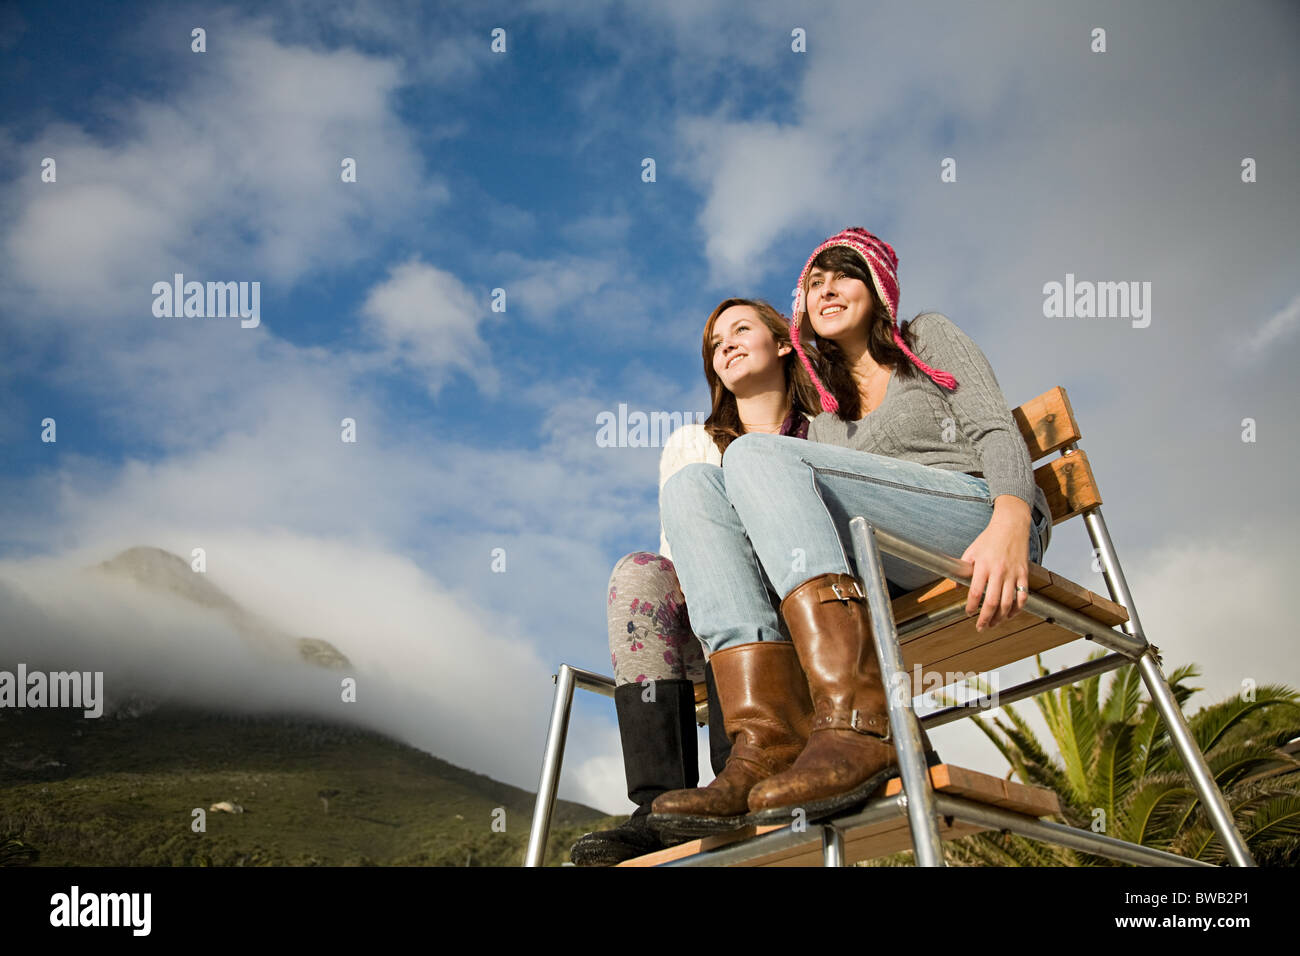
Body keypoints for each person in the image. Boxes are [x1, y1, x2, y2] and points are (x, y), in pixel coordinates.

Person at [651, 227, 1052, 832]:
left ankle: (858, 723)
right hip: (887, 556)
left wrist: (1012, 517)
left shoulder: (927, 336)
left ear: (878, 288)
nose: (827, 289)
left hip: (977, 519)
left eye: (844, 275)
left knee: (755, 455)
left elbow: (997, 431)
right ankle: (764, 744)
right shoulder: (825, 410)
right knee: (692, 485)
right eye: (814, 283)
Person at [569, 297, 821, 865]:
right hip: (711, 619)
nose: (725, 344)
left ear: (783, 343)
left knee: (738, 562)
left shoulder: (824, 432)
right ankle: (661, 805)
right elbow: (679, 556)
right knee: (642, 574)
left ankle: (741, 767)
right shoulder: (693, 442)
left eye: (740, 330)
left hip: (801, 603)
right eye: (715, 343)